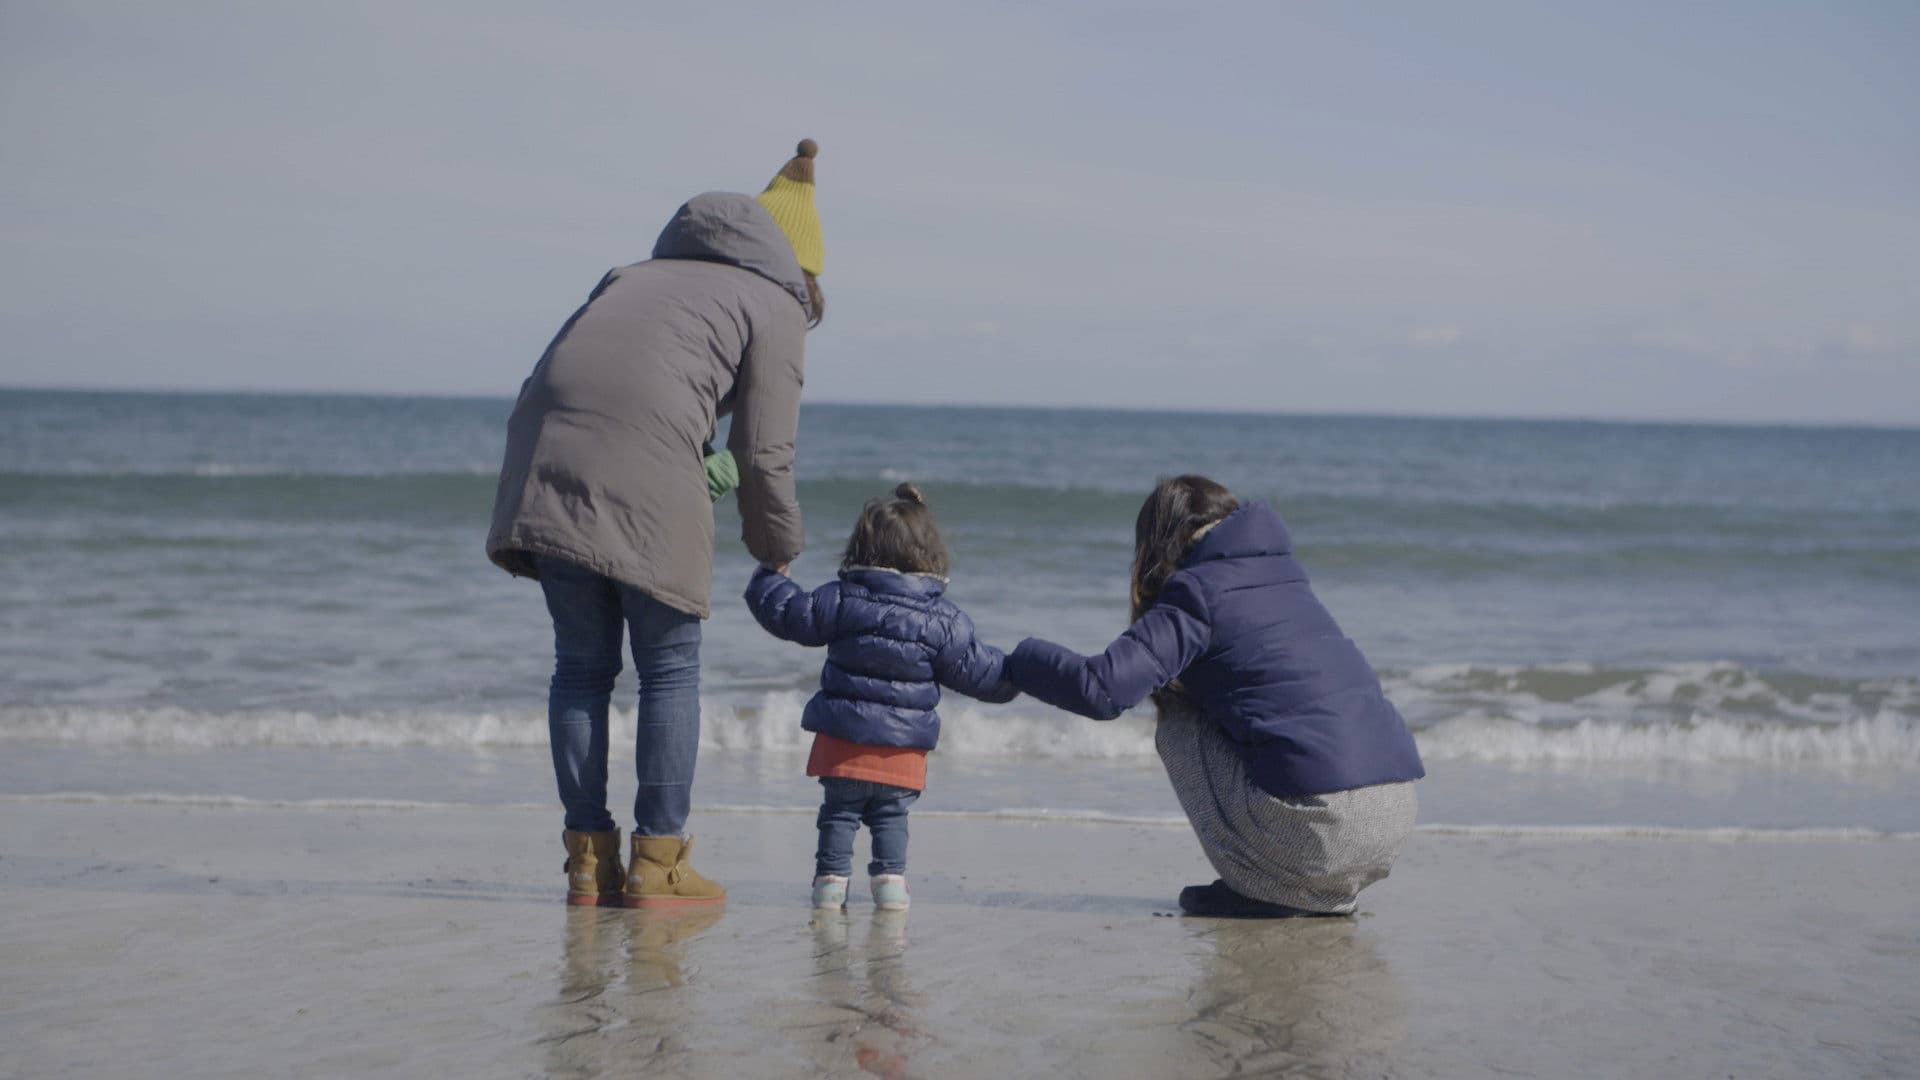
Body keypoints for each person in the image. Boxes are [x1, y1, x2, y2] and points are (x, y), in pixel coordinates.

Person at [486, 140, 827, 907]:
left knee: (580, 667)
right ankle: (659, 864)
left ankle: (586, 862)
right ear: (797, 266)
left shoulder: (630, 276)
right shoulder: (776, 304)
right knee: (669, 668)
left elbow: (591, 377)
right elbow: (765, 449)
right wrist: (778, 551)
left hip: (543, 455)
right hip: (640, 465)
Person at [1004, 475, 1424, 917]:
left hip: (1325, 830)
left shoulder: (1198, 590)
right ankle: (1312, 888)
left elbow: (1102, 690)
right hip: (1395, 817)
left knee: (1179, 720)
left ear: (1166, 540)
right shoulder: (1284, 576)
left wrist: (1020, 661)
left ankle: (1260, 886)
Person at [744, 483, 1017, 911]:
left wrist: (769, 577)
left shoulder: (841, 599)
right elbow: (980, 673)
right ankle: (890, 885)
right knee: (891, 816)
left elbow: (789, 615)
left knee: (838, 814)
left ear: (860, 547)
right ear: (930, 551)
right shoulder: (943, 620)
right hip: (901, 751)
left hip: (843, 743)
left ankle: (830, 884)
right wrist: (1025, 671)